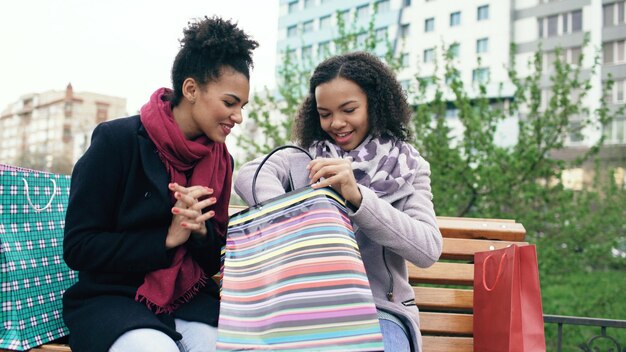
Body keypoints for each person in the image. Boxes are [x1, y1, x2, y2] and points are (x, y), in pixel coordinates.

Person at [62, 16, 258, 352]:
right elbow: (79, 247)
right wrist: (166, 238)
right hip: (113, 298)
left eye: (242, 106)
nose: (238, 116)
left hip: (188, 299)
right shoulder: (117, 141)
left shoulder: (221, 161)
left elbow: (213, 261)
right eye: (230, 102)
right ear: (191, 89)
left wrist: (198, 232)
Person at [234, 52, 443, 352]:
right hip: (306, 308)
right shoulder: (304, 157)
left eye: (349, 110)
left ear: (374, 103)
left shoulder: (407, 165)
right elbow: (250, 175)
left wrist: (358, 198)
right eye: (325, 113)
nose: (337, 123)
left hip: (380, 311)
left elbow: (427, 249)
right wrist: (298, 218)